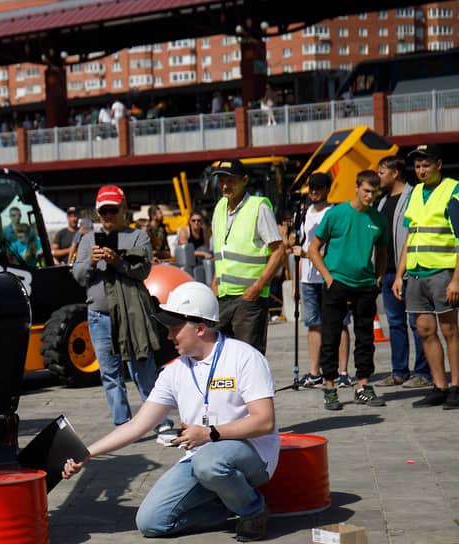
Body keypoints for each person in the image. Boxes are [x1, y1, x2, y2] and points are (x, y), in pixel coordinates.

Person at [62, 281, 279, 541]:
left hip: (252, 454)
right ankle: (230, 505)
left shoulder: (244, 357)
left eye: (175, 329)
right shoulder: (174, 371)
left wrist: (210, 433)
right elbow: (137, 426)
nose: (168, 336)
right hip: (201, 458)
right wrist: (87, 453)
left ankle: (253, 510)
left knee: (209, 463)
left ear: (200, 328)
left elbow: (264, 422)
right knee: (151, 523)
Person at [72, 185, 171, 432]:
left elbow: (144, 270)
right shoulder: (87, 240)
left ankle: (159, 422)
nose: (107, 216)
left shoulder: (139, 237)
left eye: (112, 210)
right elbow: (79, 276)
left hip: (132, 317)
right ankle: (123, 425)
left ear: (124, 209)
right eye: (103, 211)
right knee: (110, 375)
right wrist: (92, 262)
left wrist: (118, 261)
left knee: (143, 369)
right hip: (99, 317)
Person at [307, 170, 389, 410]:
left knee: (365, 338)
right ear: (356, 187)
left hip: (365, 285)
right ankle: (330, 386)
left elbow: (382, 253)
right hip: (337, 283)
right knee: (331, 335)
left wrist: (379, 278)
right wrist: (328, 277)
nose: (369, 196)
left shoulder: (378, 219)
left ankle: (363, 385)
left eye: (373, 192)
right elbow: (313, 249)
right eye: (365, 190)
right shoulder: (337, 214)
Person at [392, 143, 459, 409]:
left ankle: (456, 387)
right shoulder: (415, 193)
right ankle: (439, 385)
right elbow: (409, 237)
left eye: (426, 165)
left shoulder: (452, 190)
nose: (421, 170)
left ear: (438, 165)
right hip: (416, 274)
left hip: (442, 272)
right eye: (417, 166)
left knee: (450, 330)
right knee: (425, 330)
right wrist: (400, 275)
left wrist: (456, 278)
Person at [210, 159, 285, 354]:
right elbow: (222, 251)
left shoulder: (259, 207)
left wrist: (258, 287)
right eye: (221, 180)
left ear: (244, 180)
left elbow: (278, 251)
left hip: (249, 298)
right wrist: (215, 282)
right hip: (223, 297)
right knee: (220, 354)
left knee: (248, 357)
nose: (225, 185)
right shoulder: (219, 208)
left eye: (230, 180)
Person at [373, 155, 432, 388]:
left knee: (416, 322)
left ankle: (423, 372)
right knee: (395, 323)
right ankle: (399, 371)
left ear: (395, 173)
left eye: (381, 172)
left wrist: (404, 269)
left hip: (408, 272)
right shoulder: (382, 200)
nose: (378, 177)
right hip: (387, 272)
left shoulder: (413, 196)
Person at [291, 173, 352, 389]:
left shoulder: (334, 213)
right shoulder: (304, 213)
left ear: (327, 189)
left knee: (340, 324)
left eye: (319, 188)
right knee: (313, 325)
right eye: (312, 188)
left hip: (330, 276)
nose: (314, 191)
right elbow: (299, 246)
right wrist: (295, 285)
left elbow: (334, 248)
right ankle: (315, 371)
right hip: (308, 279)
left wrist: (307, 254)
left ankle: (343, 372)